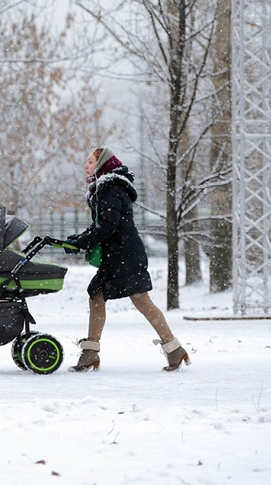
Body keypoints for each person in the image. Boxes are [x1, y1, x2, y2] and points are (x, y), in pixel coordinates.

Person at [64, 146, 190, 372]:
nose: (86, 165)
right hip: (118, 255)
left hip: (124, 255)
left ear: (102, 164)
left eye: (90, 162)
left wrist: (83, 242)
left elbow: (108, 227)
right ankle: (91, 352)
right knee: (100, 296)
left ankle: (173, 349)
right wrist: (79, 238)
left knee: (140, 300)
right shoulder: (103, 189)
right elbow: (101, 225)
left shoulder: (110, 188)